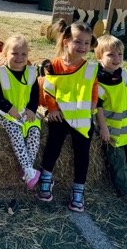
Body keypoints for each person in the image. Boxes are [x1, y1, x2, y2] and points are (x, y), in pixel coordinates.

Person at [39, 21, 98, 212]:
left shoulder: (90, 68)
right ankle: (46, 178)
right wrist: (53, 109)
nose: (82, 47)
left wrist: (92, 108)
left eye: (86, 43)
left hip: (82, 119)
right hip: (60, 116)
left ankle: (78, 189)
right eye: (78, 42)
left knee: (82, 154)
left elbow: (94, 91)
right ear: (66, 41)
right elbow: (48, 90)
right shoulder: (53, 65)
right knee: (53, 146)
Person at [95, 34, 127, 209]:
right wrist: (103, 128)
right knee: (118, 161)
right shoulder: (96, 79)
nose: (116, 58)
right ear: (99, 56)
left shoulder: (125, 74)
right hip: (110, 129)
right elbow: (97, 106)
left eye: (120, 54)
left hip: (126, 126)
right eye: (110, 54)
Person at [0, 35, 41, 190]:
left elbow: (35, 94)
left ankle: (27, 168)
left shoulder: (31, 73)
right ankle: (28, 170)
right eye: (15, 53)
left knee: (34, 133)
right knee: (16, 135)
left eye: (24, 54)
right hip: (7, 114)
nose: (19, 57)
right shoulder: (1, 73)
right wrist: (9, 108)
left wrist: (32, 109)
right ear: (5, 54)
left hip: (25, 113)